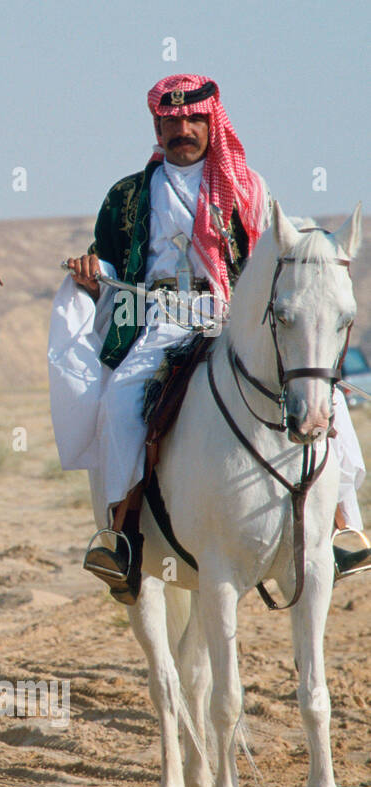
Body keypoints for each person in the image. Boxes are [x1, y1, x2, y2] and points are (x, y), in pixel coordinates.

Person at [57, 73, 369, 603]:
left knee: (327, 395)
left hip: (236, 317)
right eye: (170, 120)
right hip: (158, 319)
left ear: (210, 122)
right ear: (157, 126)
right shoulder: (128, 195)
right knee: (119, 403)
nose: (181, 129)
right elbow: (109, 255)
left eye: (192, 119)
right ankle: (123, 534)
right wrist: (94, 267)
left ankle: (343, 523)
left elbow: (276, 256)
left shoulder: (247, 186)